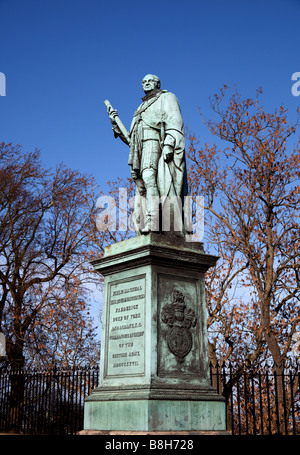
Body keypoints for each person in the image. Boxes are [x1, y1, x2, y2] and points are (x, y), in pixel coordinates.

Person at [107, 74, 188, 234]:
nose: (146, 83)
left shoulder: (167, 97)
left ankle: (154, 221)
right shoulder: (139, 109)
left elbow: (175, 121)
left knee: (149, 176)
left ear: (158, 83)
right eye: (143, 82)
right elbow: (131, 139)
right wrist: (114, 122)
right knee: (142, 185)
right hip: (139, 148)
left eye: (150, 81)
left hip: (154, 142)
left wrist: (169, 144)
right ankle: (146, 220)